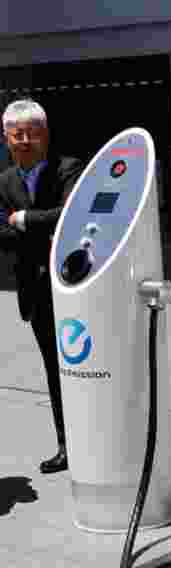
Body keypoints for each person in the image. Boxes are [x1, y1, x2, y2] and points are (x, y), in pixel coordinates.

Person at [0, 99, 84, 473]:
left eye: (31, 133)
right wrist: (38, 227)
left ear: (45, 135)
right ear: (5, 138)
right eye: (16, 134)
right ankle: (68, 445)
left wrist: (22, 219)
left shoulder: (69, 169)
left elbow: (72, 215)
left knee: (84, 366)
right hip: (35, 290)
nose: (24, 141)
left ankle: (100, 438)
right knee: (54, 370)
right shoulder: (5, 181)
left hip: (74, 287)